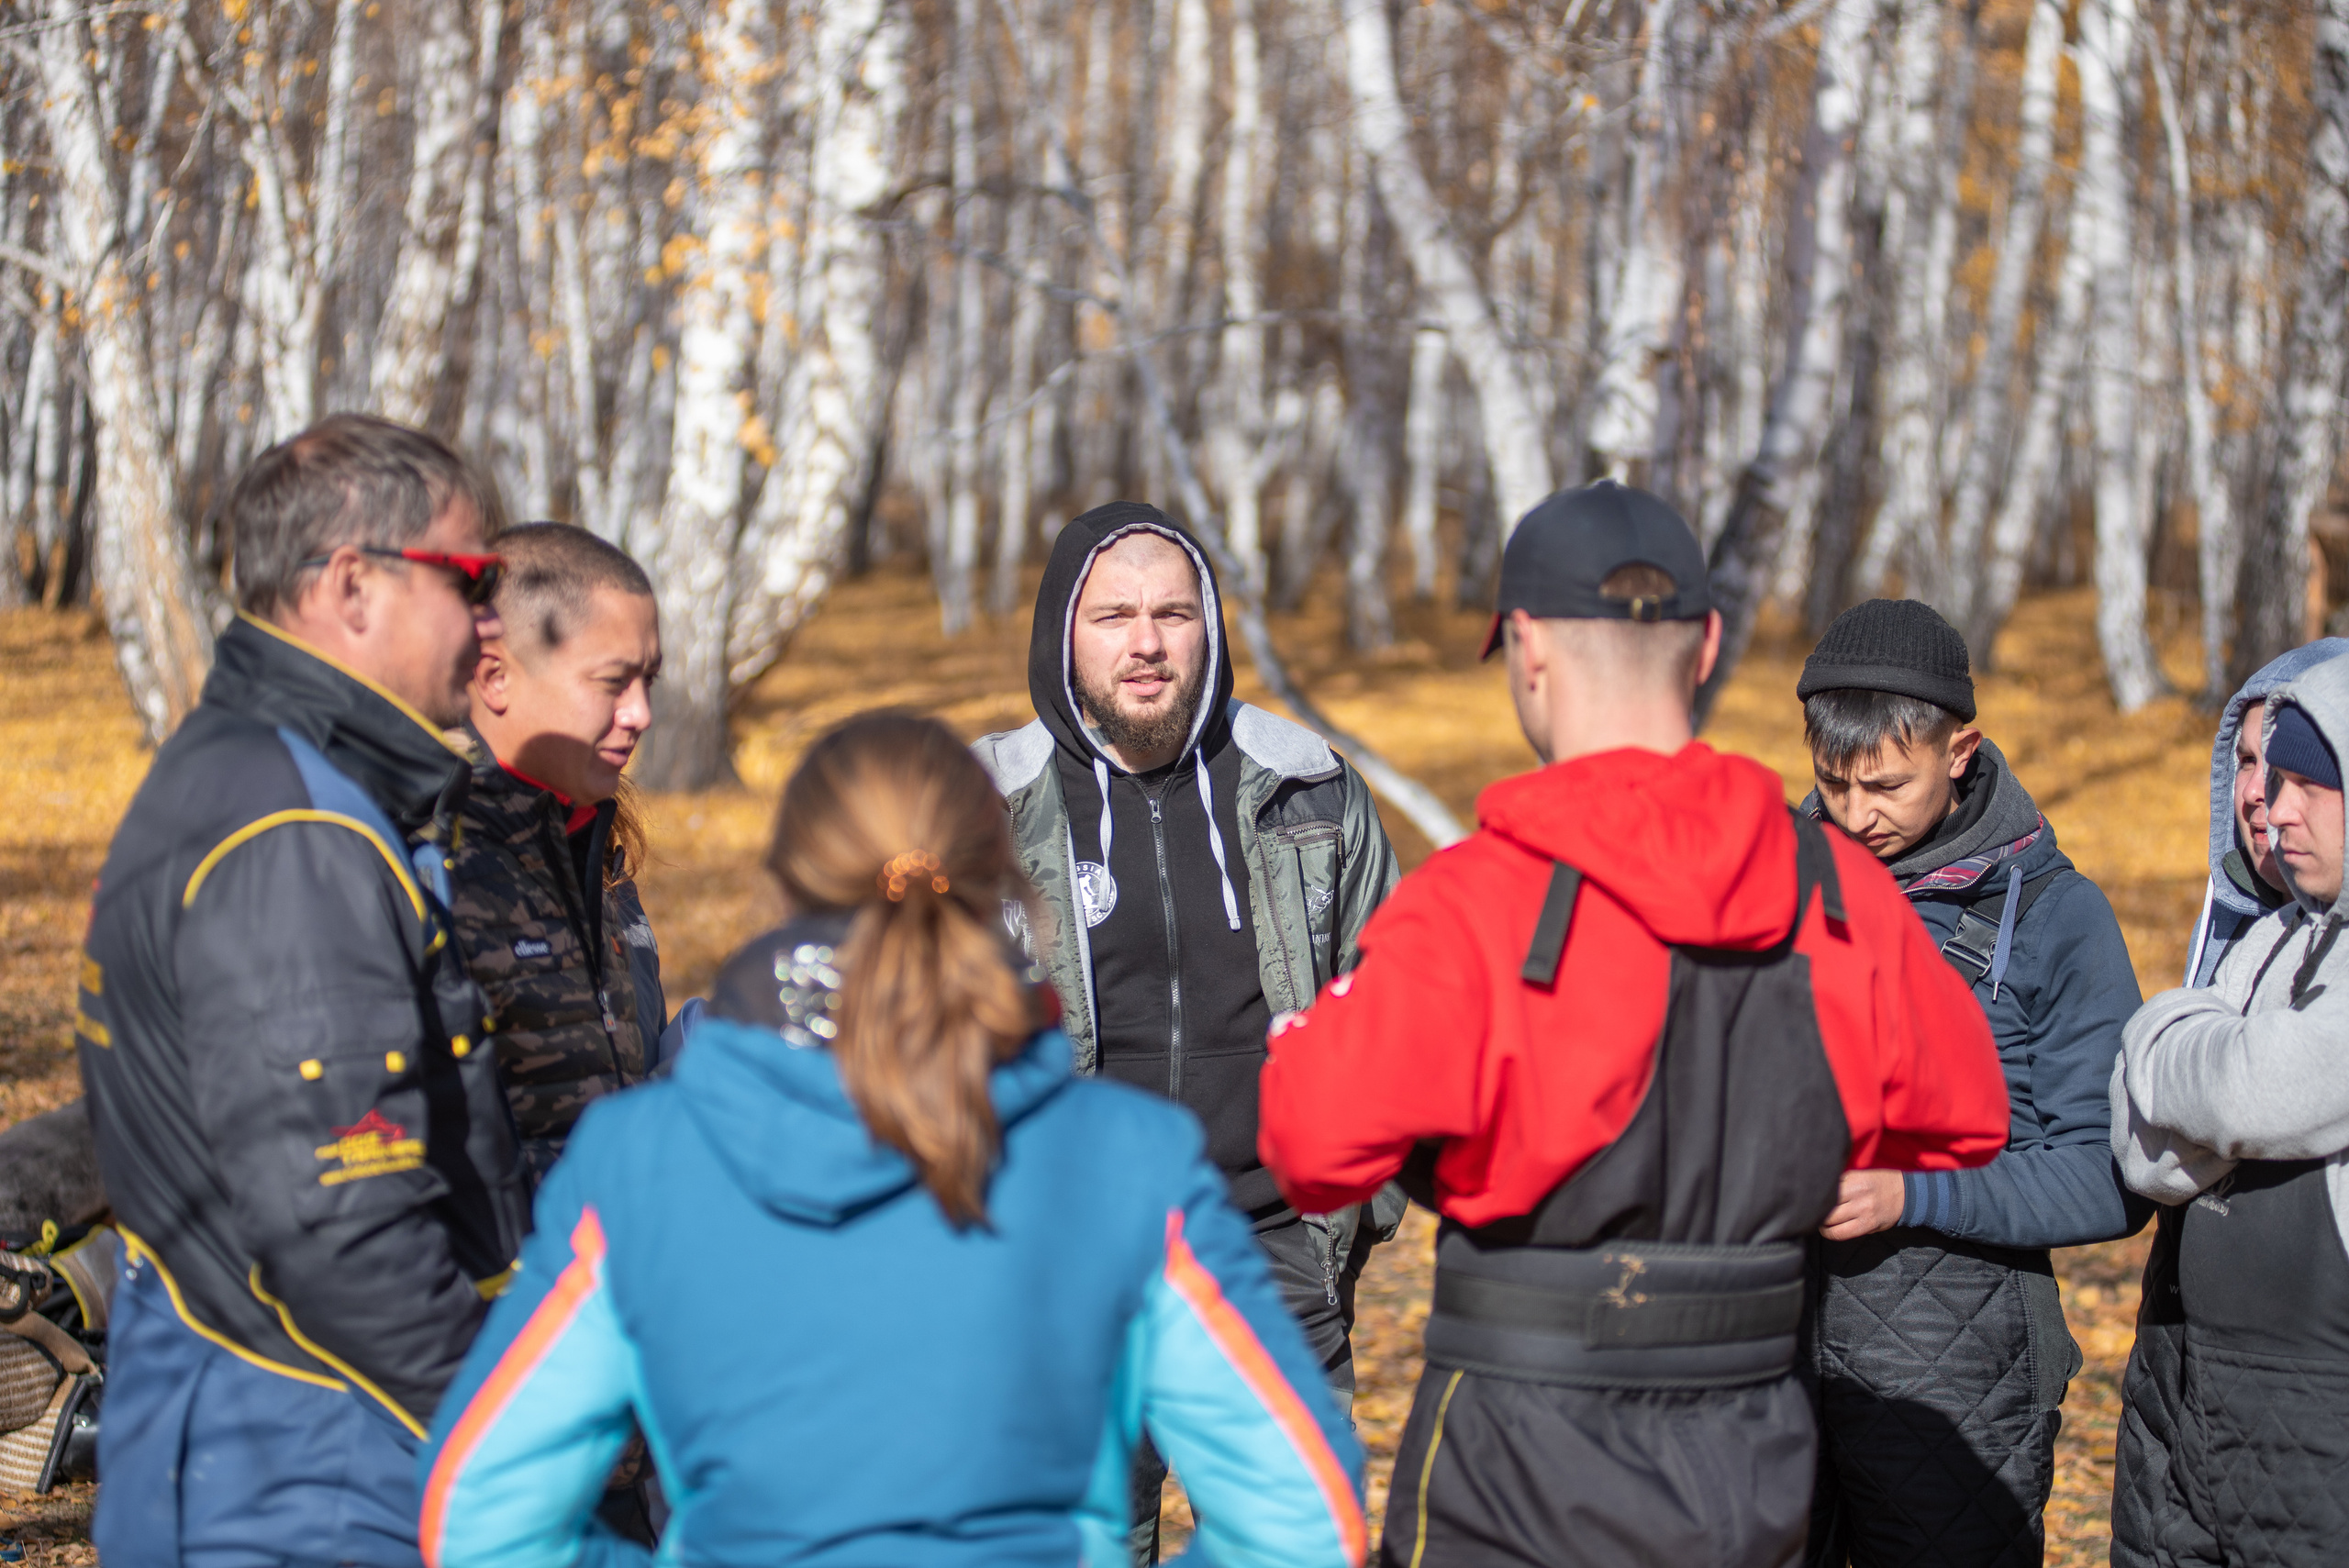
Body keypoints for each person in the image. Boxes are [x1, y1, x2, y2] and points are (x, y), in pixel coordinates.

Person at [1257, 480, 2009, 1568]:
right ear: (1706, 647)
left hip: (1516, 1450)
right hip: (1751, 1454)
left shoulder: (1472, 904)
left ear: (1525, 647)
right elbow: (1964, 1118)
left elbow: (1306, 1146)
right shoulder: (1842, 896)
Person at [417, 713, 1366, 1568]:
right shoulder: (1128, 1159)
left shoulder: (639, 1157)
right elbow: (1300, 1518)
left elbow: (482, 1516)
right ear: (1005, 883)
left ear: (785, 884)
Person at [74, 415, 528, 1566]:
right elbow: (345, 1224)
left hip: (259, 1438)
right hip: (301, 1465)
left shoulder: (250, 767)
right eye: (470, 576)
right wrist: (514, 1432)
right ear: (352, 584)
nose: (486, 620)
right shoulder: (294, 828)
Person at [970, 501, 1400, 1559]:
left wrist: (1345, 1219)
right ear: (1061, 634)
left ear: (1211, 625)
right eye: (1112, 614)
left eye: (1173, 612)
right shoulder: (981, 804)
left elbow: (1390, 1007)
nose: (1146, 641)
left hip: (1266, 1259)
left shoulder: (1307, 783)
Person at [1793, 598, 2145, 1567]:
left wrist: (1912, 1191)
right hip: (1764, 1346)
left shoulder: (2056, 918)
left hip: (1958, 1373)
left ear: (1960, 750)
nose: (1855, 815)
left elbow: (2107, 1177)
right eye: (1832, 782)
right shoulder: (1773, 879)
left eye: (1885, 785)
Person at [2109, 637, 2345, 1568]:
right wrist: (2207, 1071)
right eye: (2257, 774)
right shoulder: (2274, 939)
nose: (2268, 807)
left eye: (2299, 784)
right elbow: (2143, 1154)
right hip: (2197, 1425)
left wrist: (2160, 1033)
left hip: (2319, 1451)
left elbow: (2255, 1088)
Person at [450, 523, 671, 1192]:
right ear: (495, 678)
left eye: (649, 681)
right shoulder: (428, 865)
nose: (641, 713)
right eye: (614, 682)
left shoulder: (599, 857)